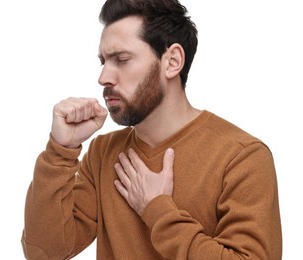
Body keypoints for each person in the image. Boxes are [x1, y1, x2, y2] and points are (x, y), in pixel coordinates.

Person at [21, 0, 282, 259]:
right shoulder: (103, 153)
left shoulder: (243, 157)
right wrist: (60, 151)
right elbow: (44, 253)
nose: (103, 78)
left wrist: (157, 210)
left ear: (172, 62)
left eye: (121, 59)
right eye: (103, 61)